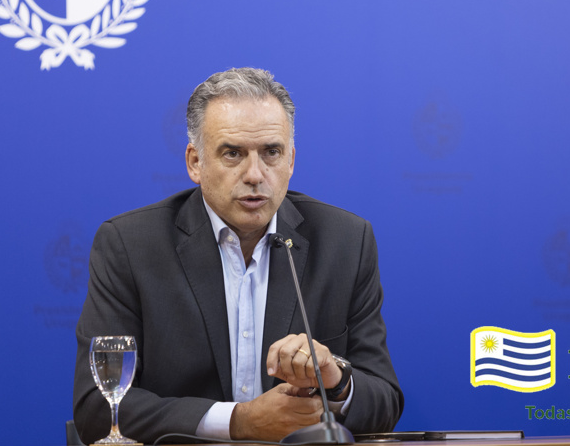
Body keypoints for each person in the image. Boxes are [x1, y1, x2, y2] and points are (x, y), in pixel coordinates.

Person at [73, 68, 403, 444]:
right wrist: (239, 422)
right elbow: (97, 407)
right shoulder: (130, 245)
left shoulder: (345, 241)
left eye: (271, 153)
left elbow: (384, 401)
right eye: (233, 154)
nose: (255, 174)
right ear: (195, 162)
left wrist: (337, 380)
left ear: (291, 160)